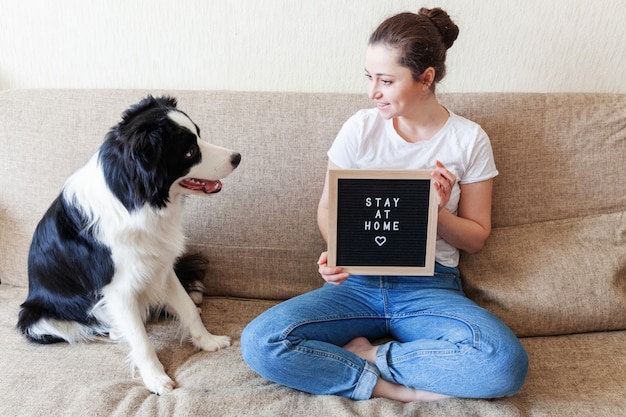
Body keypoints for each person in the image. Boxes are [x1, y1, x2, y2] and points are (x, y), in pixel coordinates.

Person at [241, 7, 528, 402]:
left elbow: (476, 238)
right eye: (369, 77)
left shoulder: (468, 139)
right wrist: (336, 252)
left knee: (504, 364)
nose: (373, 91)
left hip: (430, 288)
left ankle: (370, 354)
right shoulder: (359, 128)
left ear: (425, 79)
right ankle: (387, 387)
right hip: (356, 285)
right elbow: (328, 210)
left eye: (386, 80)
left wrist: (436, 213)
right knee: (261, 342)